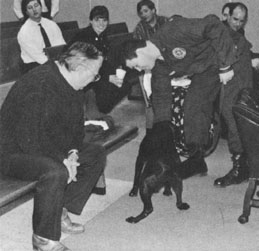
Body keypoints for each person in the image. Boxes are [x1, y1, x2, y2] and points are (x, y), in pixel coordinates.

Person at [0, 41, 106, 251]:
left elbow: (76, 128)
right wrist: (63, 159)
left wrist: (73, 152)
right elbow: (29, 138)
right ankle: (43, 238)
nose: (95, 78)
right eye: (95, 73)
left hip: (45, 146)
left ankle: (58, 209)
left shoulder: (75, 85)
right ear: (78, 66)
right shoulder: (38, 84)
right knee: (55, 172)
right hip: (12, 152)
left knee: (95, 154)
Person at [121, 14, 237, 177]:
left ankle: (242, 162)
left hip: (228, 50)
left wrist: (225, 66)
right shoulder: (158, 66)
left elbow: (213, 25)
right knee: (192, 104)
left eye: (137, 65)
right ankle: (197, 158)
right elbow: (161, 96)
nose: (140, 70)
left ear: (140, 51)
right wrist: (162, 128)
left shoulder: (173, 31)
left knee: (231, 110)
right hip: (204, 69)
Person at [214, 2, 254, 187]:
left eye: (241, 21)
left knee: (233, 121)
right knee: (232, 121)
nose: (238, 24)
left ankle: (240, 168)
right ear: (225, 15)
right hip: (231, 82)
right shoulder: (217, 32)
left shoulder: (235, 36)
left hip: (237, 84)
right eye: (235, 19)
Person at [68, 5, 131, 116]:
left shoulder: (102, 36)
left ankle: (102, 111)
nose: (101, 24)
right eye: (97, 20)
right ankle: (100, 112)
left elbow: (104, 60)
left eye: (104, 20)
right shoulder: (84, 37)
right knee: (107, 86)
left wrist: (115, 71)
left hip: (96, 72)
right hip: (80, 74)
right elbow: (85, 65)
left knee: (125, 83)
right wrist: (107, 77)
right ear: (91, 21)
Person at [132, 0, 168, 131]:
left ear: (154, 10)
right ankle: (150, 131)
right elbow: (136, 50)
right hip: (149, 67)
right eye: (140, 13)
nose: (143, 15)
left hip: (167, 63)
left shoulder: (165, 22)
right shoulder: (140, 28)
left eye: (146, 11)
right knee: (151, 101)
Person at [17, 0, 65, 74]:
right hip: (34, 65)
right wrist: (56, 66)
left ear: (41, 7)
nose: (34, 9)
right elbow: (38, 56)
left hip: (54, 61)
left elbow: (60, 45)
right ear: (26, 12)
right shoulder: (24, 32)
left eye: (36, 6)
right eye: (30, 8)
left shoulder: (51, 24)